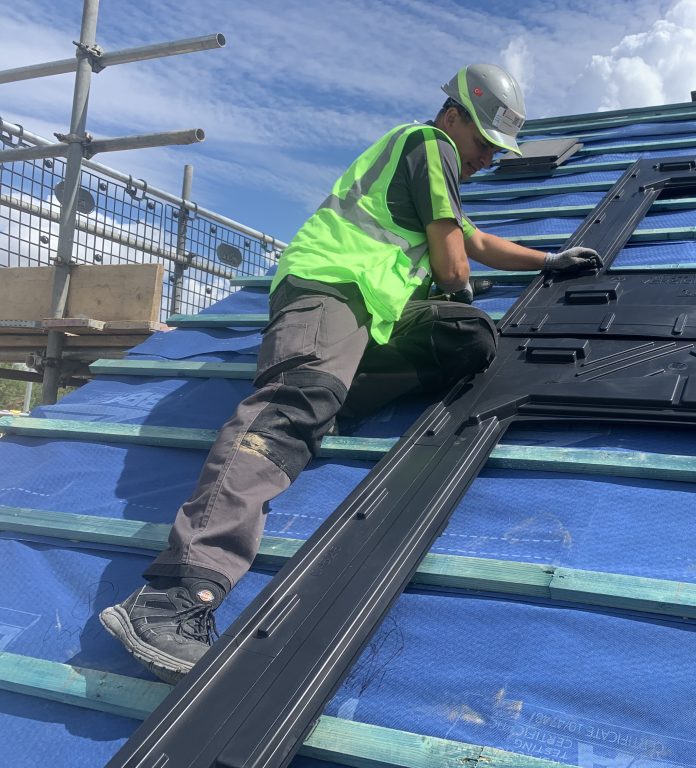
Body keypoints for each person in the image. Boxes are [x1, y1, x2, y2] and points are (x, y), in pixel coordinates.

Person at [99, 63, 602, 683]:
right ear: (452, 119)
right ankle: (174, 596)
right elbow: (453, 263)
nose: (488, 161)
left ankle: (332, 402)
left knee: (467, 337)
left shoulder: (435, 170)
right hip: (328, 292)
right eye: (484, 146)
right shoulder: (427, 145)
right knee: (293, 404)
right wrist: (463, 290)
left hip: (371, 309)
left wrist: (550, 260)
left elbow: (475, 239)